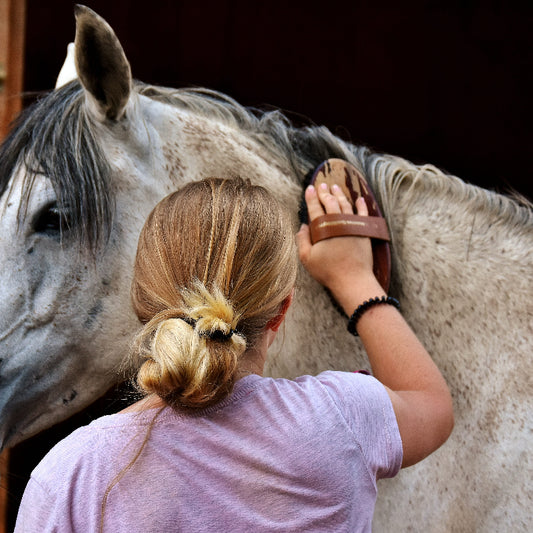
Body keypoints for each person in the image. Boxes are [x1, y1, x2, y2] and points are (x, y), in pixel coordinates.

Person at [15, 173, 453, 532]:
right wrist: (355, 278)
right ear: (282, 311)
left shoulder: (70, 478)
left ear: (142, 305)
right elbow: (431, 404)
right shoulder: (342, 418)